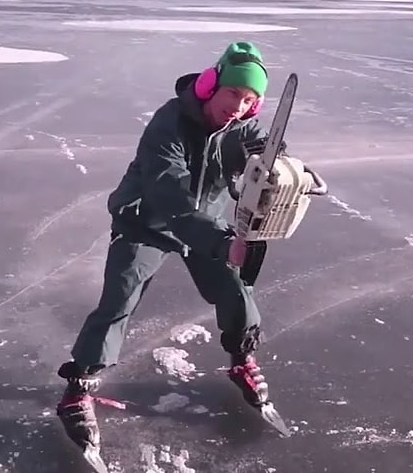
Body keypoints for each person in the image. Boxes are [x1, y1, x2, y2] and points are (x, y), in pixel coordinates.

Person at [56, 41, 280, 449]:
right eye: (233, 93)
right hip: (147, 220)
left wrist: (281, 170)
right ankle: (79, 386)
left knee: (235, 291)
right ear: (211, 84)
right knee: (118, 299)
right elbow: (169, 195)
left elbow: (264, 159)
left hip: (207, 224)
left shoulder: (243, 128)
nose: (239, 106)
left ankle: (241, 359)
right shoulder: (169, 123)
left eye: (250, 100)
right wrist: (219, 241)